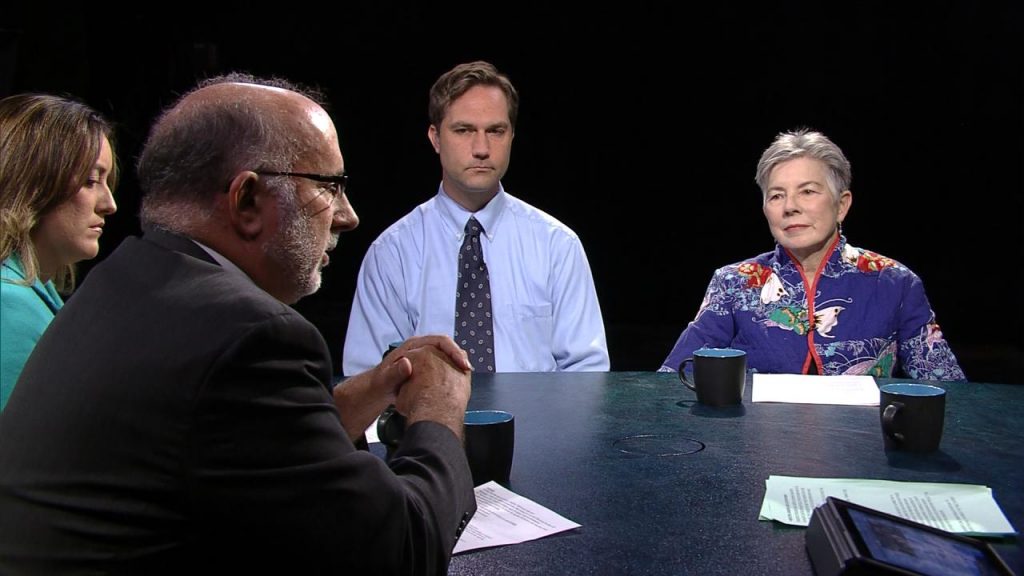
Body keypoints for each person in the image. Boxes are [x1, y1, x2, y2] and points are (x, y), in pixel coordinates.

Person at [0, 74, 476, 574]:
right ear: (247, 201)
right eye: (329, 187)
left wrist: (365, 393)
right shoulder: (250, 336)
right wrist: (437, 411)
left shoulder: (125, 279)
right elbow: (402, 552)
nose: (347, 216)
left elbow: (229, 441)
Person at [343, 60, 609, 375]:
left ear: (511, 136)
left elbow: (587, 374)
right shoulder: (392, 254)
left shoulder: (557, 247)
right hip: (425, 424)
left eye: (495, 131)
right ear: (435, 138)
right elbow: (367, 380)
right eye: (464, 130)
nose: (481, 148)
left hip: (539, 425)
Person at [661, 129, 965, 380]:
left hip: (864, 445)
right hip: (753, 446)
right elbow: (675, 378)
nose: (790, 206)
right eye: (777, 195)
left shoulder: (894, 282)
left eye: (807, 191)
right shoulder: (734, 283)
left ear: (842, 205)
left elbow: (949, 390)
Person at [0, 93, 118, 411]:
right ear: (33, 182)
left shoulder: (27, 294)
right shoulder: (10, 303)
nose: (109, 204)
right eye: (91, 180)